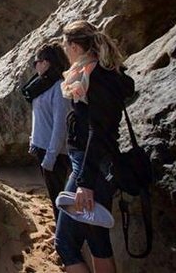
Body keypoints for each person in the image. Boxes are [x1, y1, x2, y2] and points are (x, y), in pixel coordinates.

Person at [54, 20, 135, 273]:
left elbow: (98, 130)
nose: (64, 50)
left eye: (65, 45)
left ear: (75, 46)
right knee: (96, 241)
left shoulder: (94, 77)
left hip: (92, 166)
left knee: (66, 243)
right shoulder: (96, 73)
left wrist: (85, 182)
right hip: (93, 163)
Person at [21, 42, 71, 220]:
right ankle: (62, 233)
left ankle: (64, 239)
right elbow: (40, 119)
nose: (35, 66)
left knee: (59, 197)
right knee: (54, 195)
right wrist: (33, 141)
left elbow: (60, 126)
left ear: (47, 62)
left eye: (37, 61)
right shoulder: (43, 86)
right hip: (42, 147)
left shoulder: (59, 87)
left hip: (55, 153)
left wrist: (51, 156)